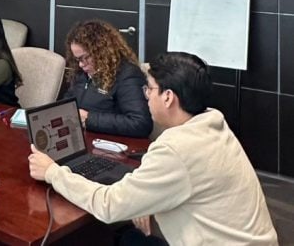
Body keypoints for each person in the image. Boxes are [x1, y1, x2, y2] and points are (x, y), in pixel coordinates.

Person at [29, 52, 278, 246]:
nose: (146, 96)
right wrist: (148, 199)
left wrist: (52, 172)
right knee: (129, 237)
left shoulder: (176, 149)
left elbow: (108, 206)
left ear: (168, 97)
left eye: (149, 88)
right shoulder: (213, 123)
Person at [63, 20, 152, 138]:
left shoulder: (127, 75)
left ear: (100, 52)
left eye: (85, 58)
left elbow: (140, 123)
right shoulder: (81, 72)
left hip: (113, 142)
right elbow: (68, 101)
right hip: (83, 137)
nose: (81, 64)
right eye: (77, 59)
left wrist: (89, 119)